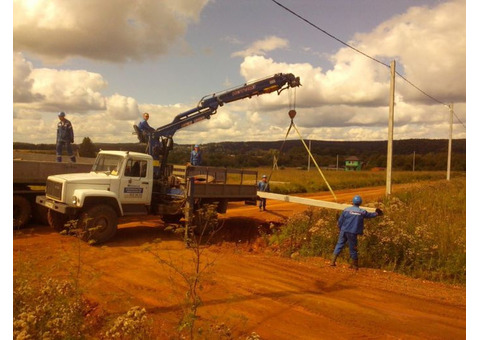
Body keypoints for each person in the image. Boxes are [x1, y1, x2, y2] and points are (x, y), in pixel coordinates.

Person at [330, 195, 383, 270]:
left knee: (339, 244)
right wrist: (377, 213)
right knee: (353, 247)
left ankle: (332, 262)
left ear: (352, 202)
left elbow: (340, 221)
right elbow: (370, 215)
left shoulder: (346, 210)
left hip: (344, 230)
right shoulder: (362, 212)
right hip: (353, 232)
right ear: (360, 203)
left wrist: (340, 228)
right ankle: (354, 265)